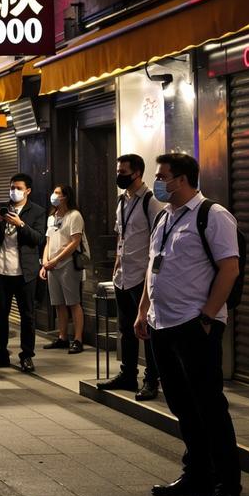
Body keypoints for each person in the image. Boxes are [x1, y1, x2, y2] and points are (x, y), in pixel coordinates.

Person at [135, 153, 242, 496]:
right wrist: (142, 312)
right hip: (162, 324)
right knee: (181, 404)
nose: (158, 181)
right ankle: (196, 474)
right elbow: (154, 266)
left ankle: (227, 487)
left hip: (194, 325)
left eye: (162, 176)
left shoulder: (213, 215)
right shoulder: (165, 216)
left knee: (209, 407)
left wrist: (209, 316)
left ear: (181, 179)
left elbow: (230, 267)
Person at [99, 154, 166, 400]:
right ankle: (128, 374)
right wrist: (116, 265)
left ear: (137, 173)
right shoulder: (122, 200)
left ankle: (151, 380)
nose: (119, 175)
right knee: (126, 328)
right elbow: (121, 236)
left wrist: (151, 274)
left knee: (146, 330)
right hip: (123, 275)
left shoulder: (151, 201)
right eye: (118, 170)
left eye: (123, 171)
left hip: (142, 275)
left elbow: (158, 242)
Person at [0, 173, 47, 373]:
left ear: (27, 190)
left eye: (18, 188)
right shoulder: (2, 206)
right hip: (1, 270)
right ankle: (0, 354)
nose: (14, 191)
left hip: (24, 273)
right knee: (0, 316)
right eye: (12, 187)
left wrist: (20, 224)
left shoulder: (37, 211)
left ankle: (26, 356)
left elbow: (38, 239)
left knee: (27, 316)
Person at [40, 184, 88, 354]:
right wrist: (45, 262)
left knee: (73, 302)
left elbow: (75, 242)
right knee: (59, 304)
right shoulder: (51, 217)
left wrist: (56, 260)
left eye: (58, 193)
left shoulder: (74, 215)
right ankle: (62, 337)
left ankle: (78, 339)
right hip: (52, 265)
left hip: (68, 265)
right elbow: (48, 242)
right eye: (54, 192)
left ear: (66, 196)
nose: (54, 195)